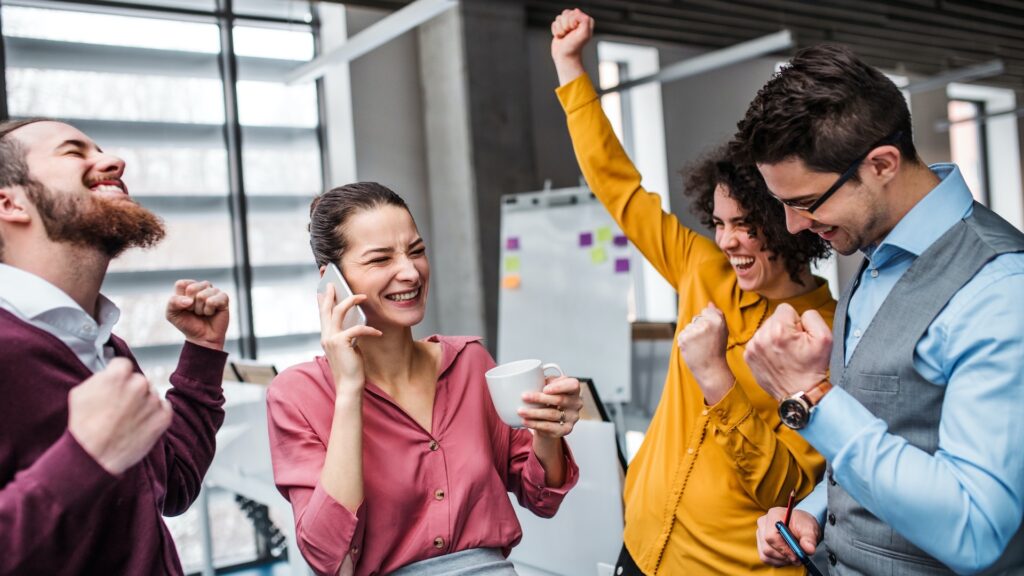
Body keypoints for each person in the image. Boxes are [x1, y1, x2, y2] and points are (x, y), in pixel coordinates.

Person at [550, 9, 835, 575]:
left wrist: (717, 381)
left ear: (788, 220)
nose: (727, 241)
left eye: (745, 224)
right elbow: (620, 189)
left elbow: (788, 483)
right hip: (640, 544)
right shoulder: (703, 268)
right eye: (720, 221)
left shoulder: (828, 331)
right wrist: (569, 67)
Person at [737, 44, 1024, 575]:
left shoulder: (1001, 289)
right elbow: (888, 431)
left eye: (805, 203)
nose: (794, 226)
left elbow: (977, 528)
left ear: (882, 165)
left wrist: (810, 397)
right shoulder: (873, 255)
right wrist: (819, 511)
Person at [265, 182, 583, 576]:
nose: (410, 272)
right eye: (381, 259)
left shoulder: (470, 362)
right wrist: (349, 390)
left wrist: (547, 432)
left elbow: (542, 499)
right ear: (331, 281)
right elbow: (328, 555)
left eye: (416, 251)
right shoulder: (296, 395)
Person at [0, 118, 230, 574]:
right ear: (9, 203)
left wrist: (202, 352)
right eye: (72, 151)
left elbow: (173, 485)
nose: (114, 161)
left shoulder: (104, 347)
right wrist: (84, 460)